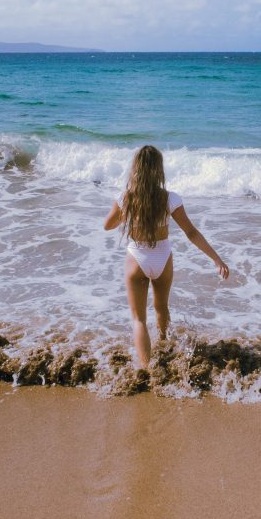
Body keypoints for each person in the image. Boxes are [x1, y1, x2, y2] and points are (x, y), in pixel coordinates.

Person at [104, 145, 229, 368]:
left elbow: (107, 225)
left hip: (136, 259)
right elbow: (191, 232)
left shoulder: (126, 198)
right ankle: (163, 346)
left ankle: (145, 368)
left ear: (136, 169)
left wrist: (127, 213)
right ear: (158, 170)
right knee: (161, 308)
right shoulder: (170, 199)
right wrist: (216, 259)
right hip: (162, 258)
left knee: (139, 320)